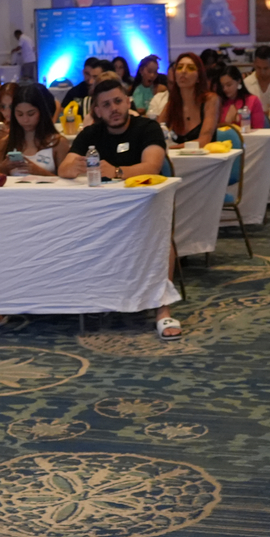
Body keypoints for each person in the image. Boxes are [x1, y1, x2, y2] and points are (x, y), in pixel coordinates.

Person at [60, 75, 180, 340]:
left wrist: (114, 171)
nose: (113, 108)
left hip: (144, 208)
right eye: (106, 105)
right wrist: (75, 166)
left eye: (117, 101)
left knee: (162, 237)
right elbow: (65, 168)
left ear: (128, 102)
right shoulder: (91, 134)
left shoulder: (147, 128)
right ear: (97, 110)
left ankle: (163, 308)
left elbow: (152, 166)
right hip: (101, 214)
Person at [0, 82, 67, 177]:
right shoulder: (5, 143)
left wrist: (38, 171)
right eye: (20, 114)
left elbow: (66, 183)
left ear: (41, 112)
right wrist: (3, 168)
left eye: (31, 114)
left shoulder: (58, 143)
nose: (25, 120)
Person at [153, 51, 220, 147]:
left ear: (199, 77)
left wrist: (172, 148)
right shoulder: (172, 103)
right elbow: (154, 133)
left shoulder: (210, 100)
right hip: (176, 156)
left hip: (205, 156)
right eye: (179, 67)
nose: (183, 71)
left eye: (190, 68)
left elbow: (204, 140)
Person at [215, 64, 265, 132]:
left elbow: (258, 129)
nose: (225, 89)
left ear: (239, 81)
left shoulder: (253, 100)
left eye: (229, 85)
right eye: (222, 86)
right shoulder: (219, 102)